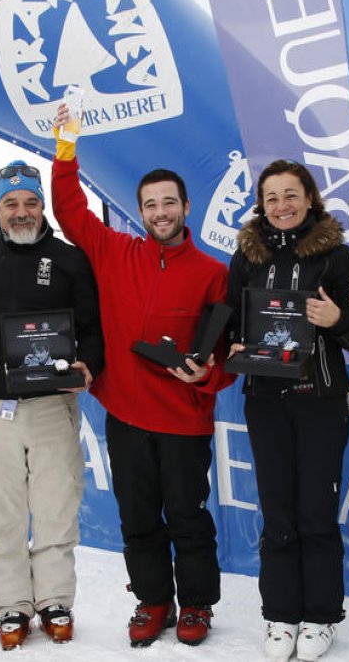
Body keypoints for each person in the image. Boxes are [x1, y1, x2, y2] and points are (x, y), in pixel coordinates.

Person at [51, 105, 235, 647]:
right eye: (150, 204)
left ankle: (196, 604)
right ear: (138, 211)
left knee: (188, 517)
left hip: (183, 422)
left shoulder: (212, 274)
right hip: (127, 416)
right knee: (137, 516)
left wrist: (204, 377)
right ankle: (153, 600)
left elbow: (227, 357)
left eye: (169, 203)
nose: (160, 212)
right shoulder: (113, 250)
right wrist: (66, 144)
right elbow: (68, 208)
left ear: (185, 208)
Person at [0, 160, 102, 649]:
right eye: (11, 204)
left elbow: (94, 328)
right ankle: (12, 607)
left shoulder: (69, 259)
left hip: (52, 406)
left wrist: (88, 365)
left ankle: (55, 600)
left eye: (31, 202)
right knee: (2, 513)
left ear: (43, 206)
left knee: (57, 508)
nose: (22, 212)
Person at [225, 159, 349, 661]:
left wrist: (334, 319)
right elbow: (233, 325)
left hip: (320, 403)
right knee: (277, 511)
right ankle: (280, 615)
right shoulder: (246, 257)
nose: (281, 206)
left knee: (316, 513)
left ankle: (323, 616)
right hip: (265, 402)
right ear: (260, 206)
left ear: (310, 199)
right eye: (271, 198)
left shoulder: (339, 257)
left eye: (291, 195)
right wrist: (235, 347)